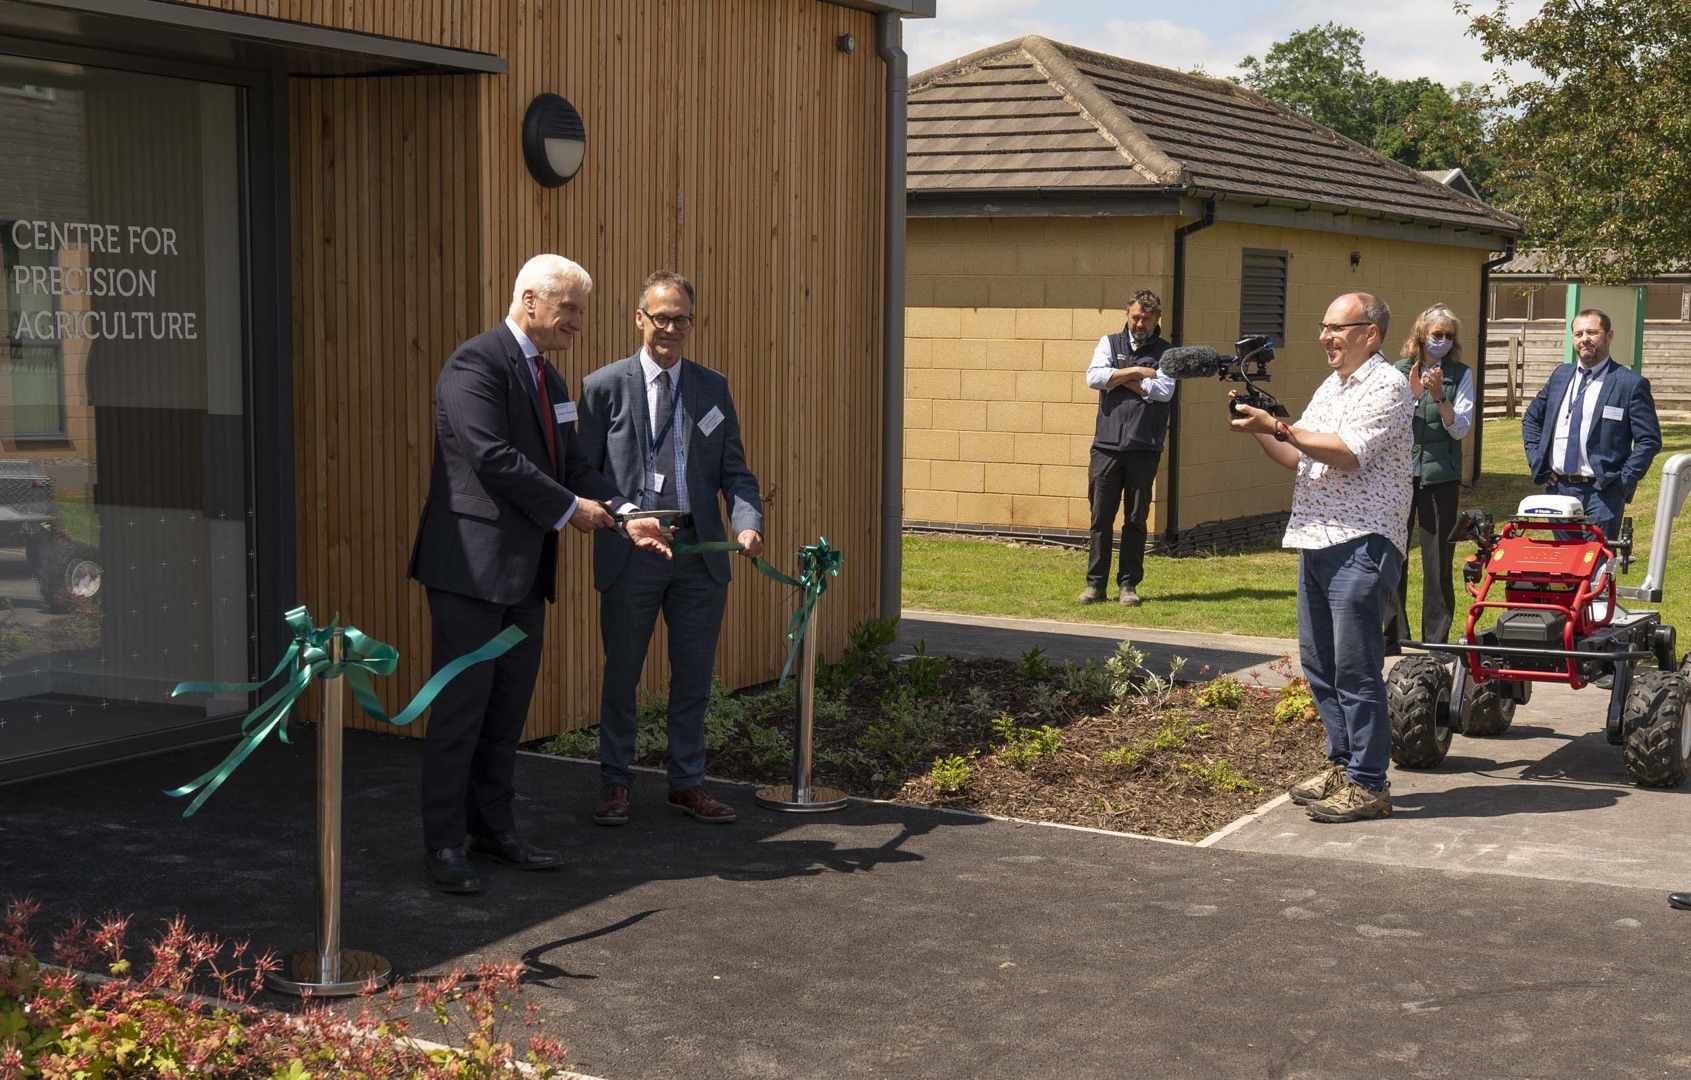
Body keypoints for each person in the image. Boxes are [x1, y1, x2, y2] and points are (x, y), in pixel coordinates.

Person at [408, 254, 668, 894]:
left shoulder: (553, 385)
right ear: (529, 300)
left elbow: (576, 468)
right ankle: (444, 845)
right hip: (471, 571)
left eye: (582, 308)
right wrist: (567, 510)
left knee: (507, 713)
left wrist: (624, 513)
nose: (579, 321)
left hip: (525, 577)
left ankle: (494, 832)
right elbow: (490, 457)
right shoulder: (476, 364)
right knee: (460, 713)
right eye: (569, 308)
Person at [577, 271, 764, 827]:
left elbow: (737, 472)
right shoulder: (602, 386)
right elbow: (583, 471)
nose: (672, 328)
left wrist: (748, 522)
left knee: (693, 678)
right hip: (631, 551)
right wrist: (624, 517)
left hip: (699, 556)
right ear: (640, 319)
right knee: (622, 675)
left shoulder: (712, 387)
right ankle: (615, 784)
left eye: (682, 318)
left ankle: (687, 784)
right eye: (662, 317)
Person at [1229, 292, 1412, 823]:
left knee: (1356, 667)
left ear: (1370, 334)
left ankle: (1370, 782)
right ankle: (1343, 766)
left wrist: (1282, 425)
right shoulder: (1330, 388)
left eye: (1337, 327)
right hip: (1315, 538)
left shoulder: (1389, 386)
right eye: (1323, 326)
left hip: (1362, 541)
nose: (1324, 337)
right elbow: (1297, 455)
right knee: (1321, 666)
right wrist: (1263, 431)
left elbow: (1348, 452)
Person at [1521, 308, 1661, 540]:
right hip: (1560, 491)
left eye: (1592, 332)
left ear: (1609, 336)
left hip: (1603, 494)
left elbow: (1649, 440)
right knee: (1565, 568)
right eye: (1578, 334)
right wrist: (1539, 463)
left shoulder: (1629, 384)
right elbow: (1531, 420)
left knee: (1597, 568)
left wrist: (1623, 481)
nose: (1584, 339)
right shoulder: (1560, 376)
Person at [1383, 304, 1475, 650]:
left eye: (1450, 337)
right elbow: (1388, 424)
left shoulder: (1460, 374)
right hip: (1399, 475)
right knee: (1393, 554)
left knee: (1438, 561)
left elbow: (1459, 430)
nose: (1444, 342)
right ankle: (1392, 635)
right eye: (1438, 335)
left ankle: (1435, 642)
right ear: (1421, 335)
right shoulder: (1398, 370)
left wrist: (1439, 398)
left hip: (1440, 478)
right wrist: (1413, 396)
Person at [1078, 289, 1174, 608]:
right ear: (1127, 315)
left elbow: (1162, 392)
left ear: (1157, 318)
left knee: (1135, 519)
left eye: (1146, 318)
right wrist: (1138, 373)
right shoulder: (1109, 342)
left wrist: (1118, 379)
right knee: (1100, 518)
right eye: (1135, 317)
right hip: (1106, 447)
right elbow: (1094, 377)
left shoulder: (1168, 354)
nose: (1139, 323)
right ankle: (1095, 586)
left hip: (1144, 447)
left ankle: (1128, 585)